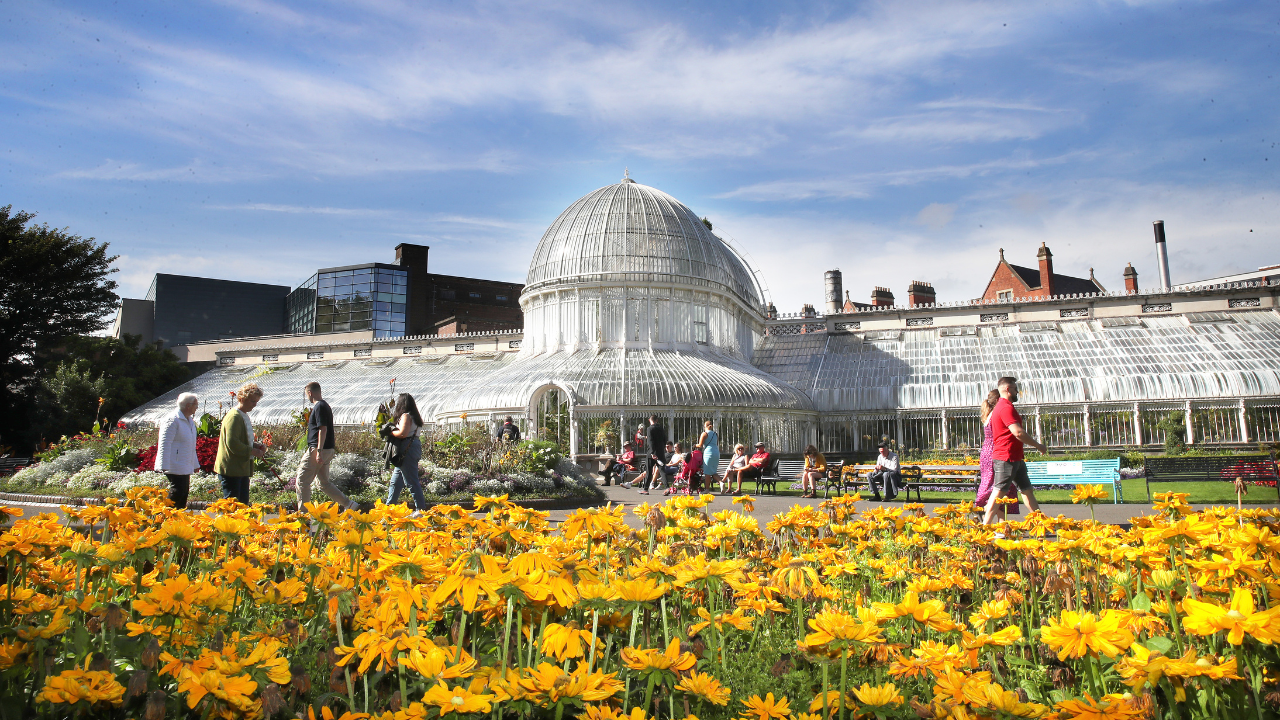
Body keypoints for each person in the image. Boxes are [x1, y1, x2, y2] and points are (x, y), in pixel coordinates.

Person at [983, 376, 1047, 526]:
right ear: (1007, 389)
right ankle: (984, 527)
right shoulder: (1005, 407)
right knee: (999, 492)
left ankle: (1041, 524)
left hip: (1015, 457)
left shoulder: (1005, 407)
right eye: (1015, 388)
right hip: (1006, 457)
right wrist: (1038, 445)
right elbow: (1017, 432)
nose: (1017, 391)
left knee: (1027, 490)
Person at [295, 382, 358, 512]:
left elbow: (322, 429)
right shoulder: (325, 406)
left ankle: (303, 515)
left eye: (307, 394)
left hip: (318, 449)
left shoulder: (319, 406)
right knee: (323, 483)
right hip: (327, 449)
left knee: (302, 481)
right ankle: (349, 504)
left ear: (310, 393)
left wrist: (318, 451)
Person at [214, 383, 266, 505]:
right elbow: (232, 443)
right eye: (253, 401)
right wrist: (253, 451)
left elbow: (243, 440)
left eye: (256, 401)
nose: (255, 405)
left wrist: (255, 445)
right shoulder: (234, 416)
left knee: (242, 504)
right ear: (242, 399)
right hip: (231, 469)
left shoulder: (243, 415)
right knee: (232, 506)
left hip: (240, 469)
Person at [974, 389, 1020, 516]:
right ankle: (988, 513)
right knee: (999, 487)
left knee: (992, 484)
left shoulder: (988, 415)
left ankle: (998, 521)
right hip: (997, 451)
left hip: (986, 452)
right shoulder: (998, 413)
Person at [385, 393, 428, 514]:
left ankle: (420, 509)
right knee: (396, 481)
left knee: (411, 480)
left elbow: (403, 433)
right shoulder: (415, 417)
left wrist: (390, 432)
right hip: (413, 446)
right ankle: (389, 508)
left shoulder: (406, 416)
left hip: (406, 447)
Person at [156, 392, 200, 509]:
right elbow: (165, 443)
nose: (197, 407)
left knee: (183, 492)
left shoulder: (189, 421)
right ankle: (166, 516)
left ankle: (178, 519)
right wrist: (163, 464)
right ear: (188, 406)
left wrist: (195, 464)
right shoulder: (172, 420)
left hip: (184, 464)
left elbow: (190, 445)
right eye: (196, 404)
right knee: (177, 491)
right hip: (174, 464)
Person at [641, 416, 668, 494]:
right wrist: (661, 449)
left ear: (649, 420)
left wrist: (652, 453)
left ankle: (645, 489)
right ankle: (667, 487)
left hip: (652, 453)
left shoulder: (650, 429)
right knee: (662, 470)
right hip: (660, 452)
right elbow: (665, 440)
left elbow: (650, 441)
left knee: (649, 471)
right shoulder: (661, 429)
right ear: (657, 420)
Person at [696, 420, 720, 489]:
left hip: (708, 453)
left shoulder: (704, 434)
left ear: (705, 426)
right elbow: (716, 444)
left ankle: (707, 489)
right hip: (716, 452)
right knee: (713, 471)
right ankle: (721, 483)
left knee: (707, 472)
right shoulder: (715, 434)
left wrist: (695, 445)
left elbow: (700, 445)